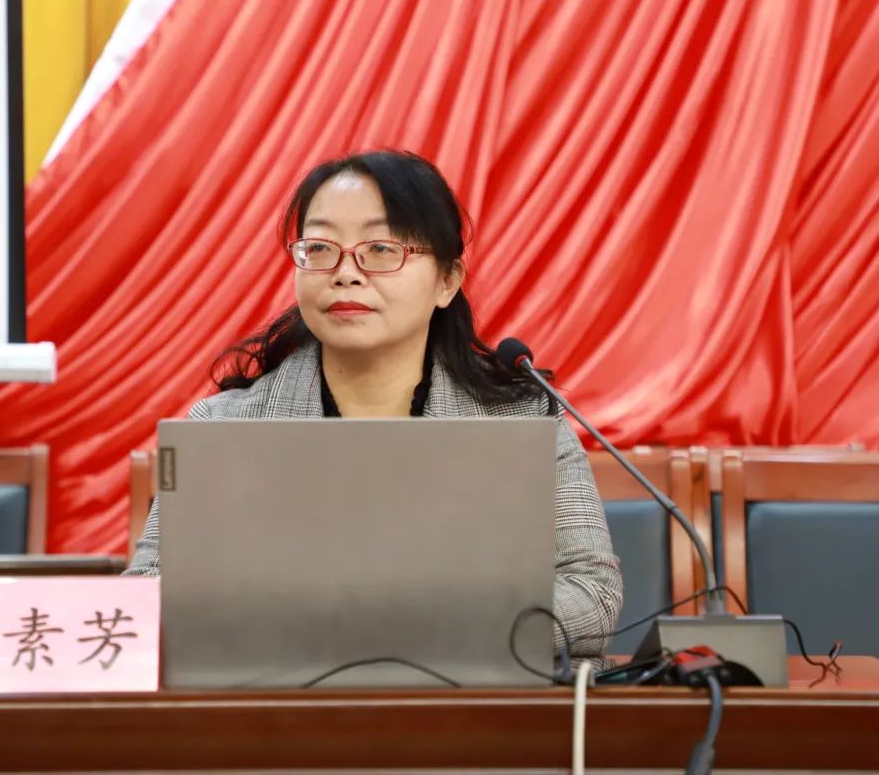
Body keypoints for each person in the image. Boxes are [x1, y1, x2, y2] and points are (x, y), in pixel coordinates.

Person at [126, 150, 622, 658]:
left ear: (447, 281)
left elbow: (593, 595)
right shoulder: (221, 429)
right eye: (320, 247)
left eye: (381, 249)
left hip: (466, 695)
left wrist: (435, 630)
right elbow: (147, 592)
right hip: (279, 698)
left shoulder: (525, 421)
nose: (345, 273)